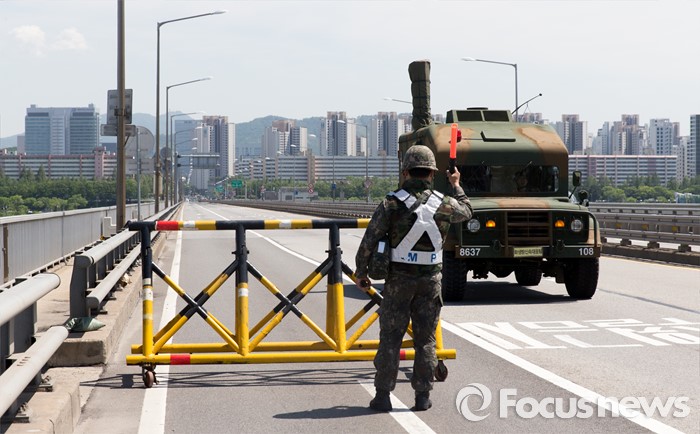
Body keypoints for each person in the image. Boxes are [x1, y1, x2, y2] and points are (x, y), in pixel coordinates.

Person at [355, 144, 472, 412]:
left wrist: (361, 272)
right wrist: (456, 184)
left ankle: (383, 396)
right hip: (430, 282)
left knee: (391, 338)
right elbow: (467, 211)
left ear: (405, 171)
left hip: (398, 281)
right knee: (426, 340)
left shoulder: (391, 203)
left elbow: (370, 239)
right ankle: (422, 397)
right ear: (432, 174)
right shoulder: (444, 204)